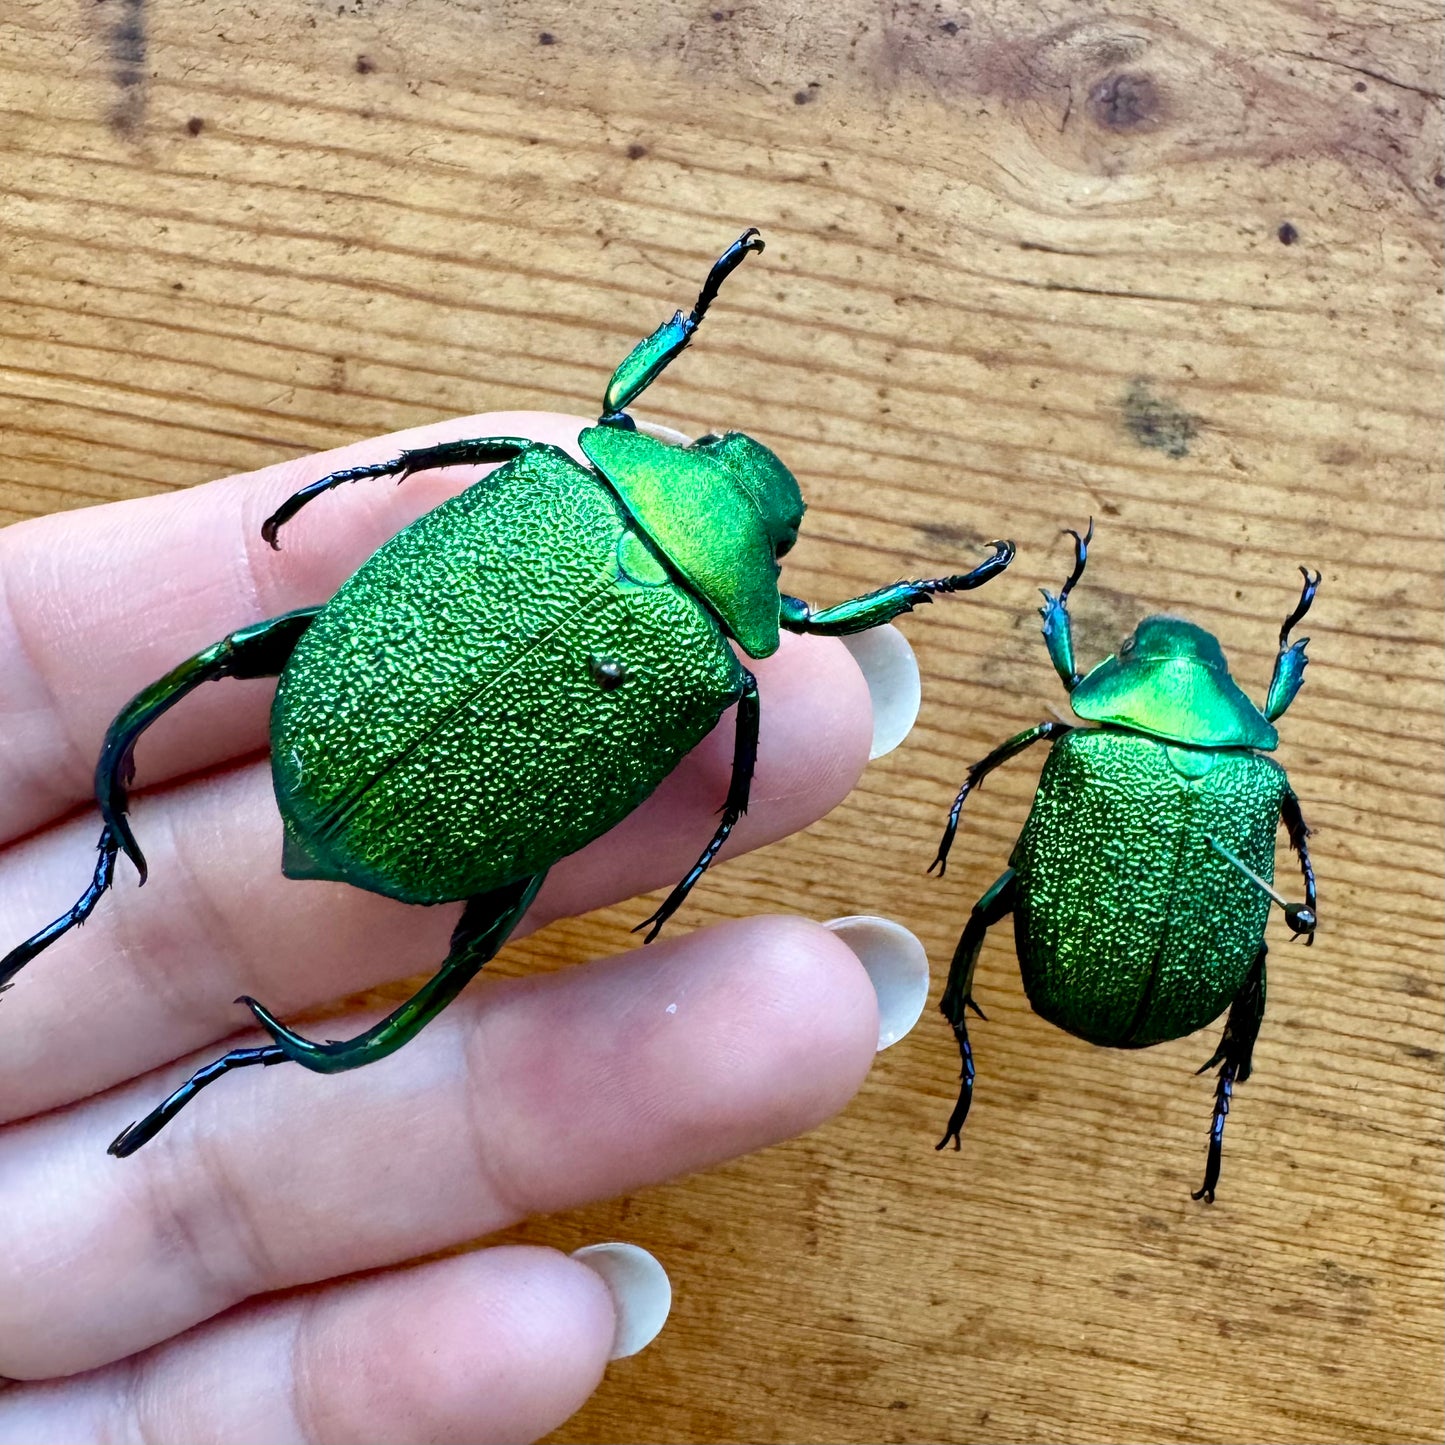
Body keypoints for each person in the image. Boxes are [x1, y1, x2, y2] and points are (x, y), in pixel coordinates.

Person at [0, 413, 928, 1443]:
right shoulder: (715, 667)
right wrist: (919, 598)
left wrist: (382, 468)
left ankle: (108, 864)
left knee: (223, 658)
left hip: (346, 721)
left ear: (692, 448)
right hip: (410, 799)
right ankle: (271, 1035)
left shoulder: (552, 479)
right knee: (475, 939)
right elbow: (795, 663)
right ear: (770, 561)